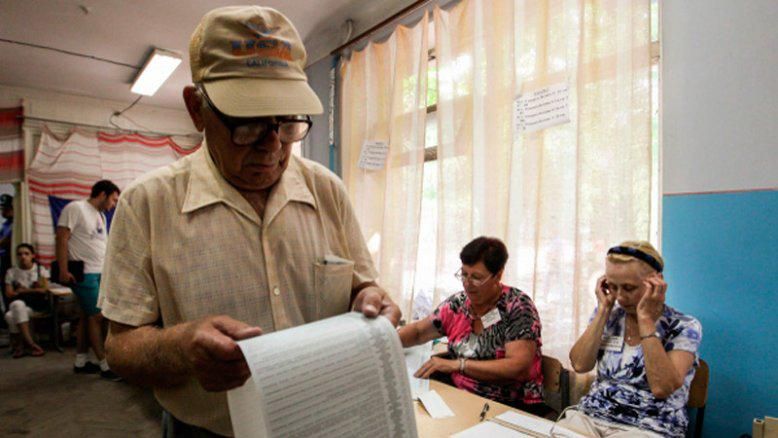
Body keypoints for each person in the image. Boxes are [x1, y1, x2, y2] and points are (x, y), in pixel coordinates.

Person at [98, 6, 400, 437]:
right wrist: (180, 348)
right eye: (248, 124)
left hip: (322, 420)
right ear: (197, 109)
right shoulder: (146, 204)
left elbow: (363, 288)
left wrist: (372, 300)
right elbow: (120, 346)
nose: (272, 146)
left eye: (288, 122)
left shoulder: (327, 191)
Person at [564, 241, 702, 437]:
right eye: (613, 287)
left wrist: (645, 319)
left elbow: (662, 388)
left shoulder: (684, 326)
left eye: (629, 288)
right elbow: (580, 364)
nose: (620, 297)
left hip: (650, 426)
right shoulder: (610, 314)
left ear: (657, 282)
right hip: (593, 416)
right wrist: (603, 310)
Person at [398, 237, 545, 414]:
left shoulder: (517, 306)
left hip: (508, 405)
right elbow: (418, 332)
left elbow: (518, 367)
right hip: (461, 397)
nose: (467, 283)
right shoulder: (458, 304)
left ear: (498, 275)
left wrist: (459, 365)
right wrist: (383, 338)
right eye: (464, 274)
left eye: (476, 278)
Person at [56, 179, 121, 380]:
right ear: (102, 194)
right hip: (84, 273)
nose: (113, 205)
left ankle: (81, 361)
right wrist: (63, 270)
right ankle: (105, 365)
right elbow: (61, 238)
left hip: (100, 272)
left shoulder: (100, 215)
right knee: (97, 317)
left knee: (86, 316)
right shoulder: (76, 208)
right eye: (113, 200)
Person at [4, 243, 49, 358]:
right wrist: (33, 290)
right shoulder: (11, 272)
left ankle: (19, 346)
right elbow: (9, 293)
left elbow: (44, 290)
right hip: (18, 303)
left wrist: (23, 291)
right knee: (18, 305)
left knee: (10, 316)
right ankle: (31, 344)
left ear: (32, 255)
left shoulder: (40, 270)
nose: (23, 256)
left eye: (26, 253)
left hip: (34, 305)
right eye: (19, 254)